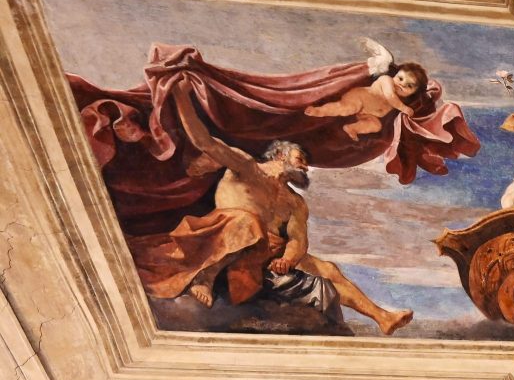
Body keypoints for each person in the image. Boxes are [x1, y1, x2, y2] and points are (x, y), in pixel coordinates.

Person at [129, 81, 413, 335]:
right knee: (247, 222)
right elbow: (204, 141)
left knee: (327, 268)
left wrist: (288, 259)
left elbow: (298, 239)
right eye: (300, 159)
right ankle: (205, 277)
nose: (305, 167)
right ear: (279, 155)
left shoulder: (294, 202)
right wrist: (181, 96)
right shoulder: (245, 167)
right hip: (222, 239)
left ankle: (382, 317)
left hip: (261, 253)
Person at [304, 62, 428, 140]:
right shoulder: (387, 80)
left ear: (413, 93)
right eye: (400, 78)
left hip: (368, 113)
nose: (402, 84)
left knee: (376, 125)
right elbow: (390, 96)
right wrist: (404, 108)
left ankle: (352, 128)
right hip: (359, 98)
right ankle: (319, 111)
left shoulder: (401, 99)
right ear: (395, 75)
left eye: (409, 86)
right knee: (346, 109)